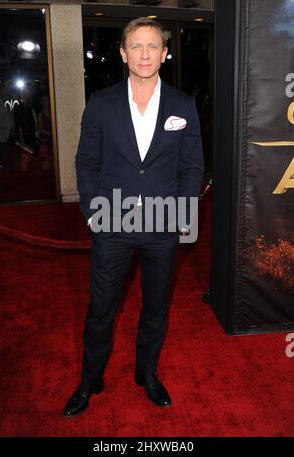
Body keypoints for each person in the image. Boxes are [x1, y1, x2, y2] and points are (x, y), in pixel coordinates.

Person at [63, 17, 204, 418]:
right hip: (112, 221)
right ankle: (90, 378)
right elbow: (86, 162)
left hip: (163, 225)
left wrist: (182, 213)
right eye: (136, 46)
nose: (145, 54)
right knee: (101, 307)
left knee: (156, 306)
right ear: (123, 53)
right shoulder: (101, 103)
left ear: (164, 52)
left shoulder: (183, 104)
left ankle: (148, 373)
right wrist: (93, 213)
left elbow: (192, 166)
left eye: (153, 46)